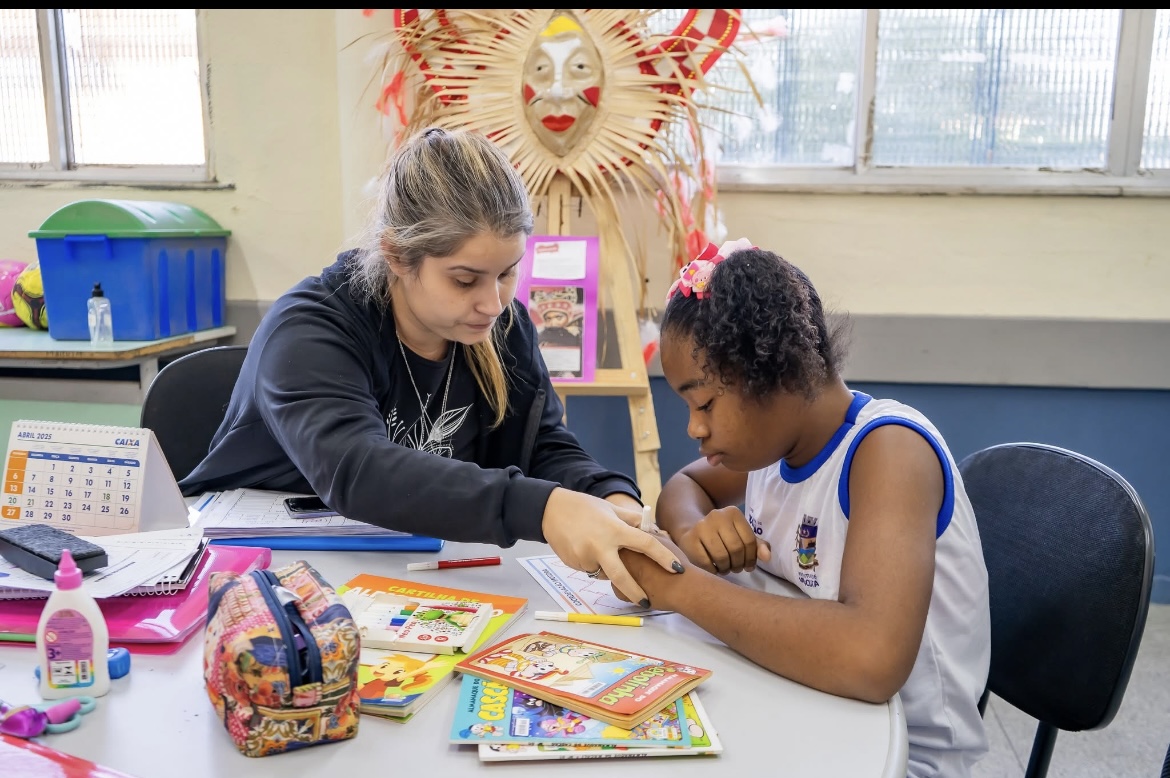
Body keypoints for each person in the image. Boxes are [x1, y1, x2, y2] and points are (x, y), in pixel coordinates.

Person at [179, 126, 681, 603]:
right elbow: (358, 469)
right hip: (257, 580)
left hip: (405, 574)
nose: (494, 302)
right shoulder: (310, 328)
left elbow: (542, 446)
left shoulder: (502, 328)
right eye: (465, 280)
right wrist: (544, 508)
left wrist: (609, 499)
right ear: (397, 254)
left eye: (507, 273)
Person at [614, 239, 991, 777]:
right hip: (805, 706)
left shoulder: (887, 452)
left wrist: (680, 585)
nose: (694, 428)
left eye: (705, 403)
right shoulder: (775, 446)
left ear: (778, 374)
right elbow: (681, 488)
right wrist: (695, 528)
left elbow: (872, 658)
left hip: (900, 756)